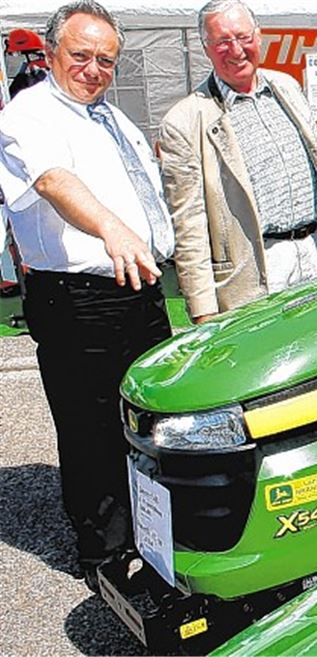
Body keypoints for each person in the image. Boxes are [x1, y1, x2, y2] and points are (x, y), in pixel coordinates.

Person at [0, 0, 174, 588]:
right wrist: (112, 228)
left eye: (106, 59)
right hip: (79, 297)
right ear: (51, 53)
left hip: (139, 290)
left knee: (148, 420)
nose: (94, 69)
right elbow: (53, 180)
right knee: (91, 426)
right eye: (81, 55)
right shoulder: (30, 112)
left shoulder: (115, 120)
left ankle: (153, 535)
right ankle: (104, 553)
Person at [159, 0, 317, 324]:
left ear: (259, 36)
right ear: (206, 48)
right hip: (256, 269)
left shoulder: (287, 88)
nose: (236, 50)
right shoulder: (184, 121)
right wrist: (203, 309)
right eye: (223, 41)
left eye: (243, 37)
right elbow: (189, 224)